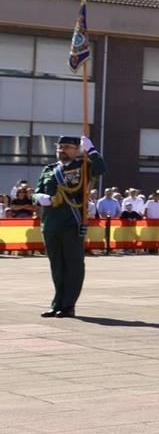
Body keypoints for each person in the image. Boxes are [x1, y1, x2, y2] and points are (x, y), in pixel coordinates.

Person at [34, 134, 104, 316]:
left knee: (73, 265)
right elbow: (36, 192)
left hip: (72, 222)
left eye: (67, 147)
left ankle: (68, 305)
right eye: (60, 147)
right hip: (50, 224)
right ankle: (57, 303)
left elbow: (101, 168)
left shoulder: (83, 166)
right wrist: (40, 198)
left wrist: (92, 151)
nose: (62, 150)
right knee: (56, 265)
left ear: (76, 150)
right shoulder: (49, 169)